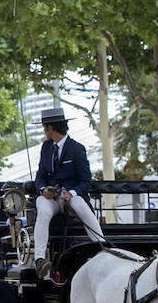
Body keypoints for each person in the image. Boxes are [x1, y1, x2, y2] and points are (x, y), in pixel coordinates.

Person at [32, 108, 106, 278]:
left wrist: (71, 193)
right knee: (42, 209)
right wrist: (43, 190)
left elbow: (85, 180)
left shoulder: (77, 149)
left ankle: (102, 245)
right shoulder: (46, 148)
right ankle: (40, 259)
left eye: (44, 127)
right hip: (52, 198)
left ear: (50, 128)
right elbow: (40, 176)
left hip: (71, 196)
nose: (44, 131)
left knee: (80, 203)